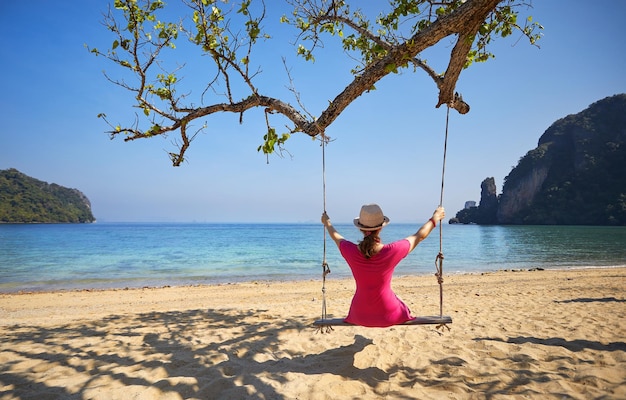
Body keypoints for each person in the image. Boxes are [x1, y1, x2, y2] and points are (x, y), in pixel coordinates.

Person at [321, 203, 445, 327]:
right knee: (401, 305)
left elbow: (335, 236)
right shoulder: (393, 250)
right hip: (389, 314)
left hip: (359, 315)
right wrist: (435, 218)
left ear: (360, 228)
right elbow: (420, 236)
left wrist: (327, 223)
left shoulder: (350, 250)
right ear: (380, 228)